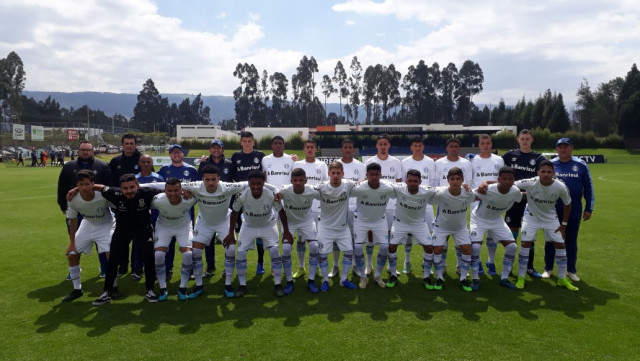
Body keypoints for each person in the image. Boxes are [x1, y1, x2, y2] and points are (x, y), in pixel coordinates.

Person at [90, 174, 164, 305]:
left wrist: (184, 191)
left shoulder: (147, 192)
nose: (129, 191)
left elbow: (169, 189)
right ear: (120, 188)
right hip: (122, 230)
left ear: (137, 185)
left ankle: (150, 290)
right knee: (113, 259)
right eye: (125, 188)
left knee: (148, 258)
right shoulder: (114, 193)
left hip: (143, 229)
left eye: (132, 187)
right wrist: (75, 190)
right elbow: (100, 187)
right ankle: (107, 291)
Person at [224, 170, 294, 297]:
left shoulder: (270, 194)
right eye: (253, 184)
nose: (256, 187)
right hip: (248, 226)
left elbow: (281, 212)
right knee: (240, 253)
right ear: (249, 183)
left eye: (259, 184)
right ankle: (242, 285)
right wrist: (230, 233)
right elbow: (234, 212)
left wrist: (287, 231)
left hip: (268, 225)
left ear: (264, 183)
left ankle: (278, 284)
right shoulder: (242, 195)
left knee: (274, 251)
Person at [513, 160, 577, 291]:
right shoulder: (530, 182)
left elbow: (568, 204)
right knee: (525, 244)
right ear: (538, 173)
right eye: (543, 171)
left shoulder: (560, 186)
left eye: (549, 172)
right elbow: (508, 184)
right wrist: (487, 184)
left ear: (553, 173)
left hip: (550, 218)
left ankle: (562, 279)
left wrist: (563, 224)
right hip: (531, 217)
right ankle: (521, 277)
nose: (546, 174)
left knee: (560, 244)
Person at [57, 141, 112, 278]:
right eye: (83, 150)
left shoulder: (102, 166)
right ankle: (74, 270)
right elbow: (62, 186)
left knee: (103, 241)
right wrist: (62, 204)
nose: (85, 152)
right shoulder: (69, 167)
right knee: (75, 239)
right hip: (77, 208)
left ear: (93, 151)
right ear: (78, 151)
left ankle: (105, 268)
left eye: (88, 150)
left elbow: (109, 186)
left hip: (98, 208)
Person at [544, 138, 595, 282]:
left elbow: (588, 187)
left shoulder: (580, 164)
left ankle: (571, 270)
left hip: (574, 209)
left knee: (571, 239)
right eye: (560, 147)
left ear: (571, 148)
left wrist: (589, 207)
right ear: (556, 149)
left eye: (566, 147)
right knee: (550, 239)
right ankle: (548, 268)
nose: (563, 149)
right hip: (552, 209)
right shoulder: (551, 164)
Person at [62, 170, 115, 302]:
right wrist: (72, 243)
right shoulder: (72, 198)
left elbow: (117, 204)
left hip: (106, 224)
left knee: (110, 255)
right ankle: (77, 289)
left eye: (87, 184)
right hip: (88, 224)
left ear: (93, 184)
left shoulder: (103, 195)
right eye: (81, 184)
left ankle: (113, 288)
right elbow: (73, 220)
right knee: (72, 254)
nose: (84, 187)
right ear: (77, 185)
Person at [502, 129, 546, 279]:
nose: (525, 141)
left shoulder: (538, 158)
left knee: (529, 235)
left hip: (531, 202)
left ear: (532, 140)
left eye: (528, 139)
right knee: (511, 234)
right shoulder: (509, 156)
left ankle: (529, 267)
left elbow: (544, 177)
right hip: (513, 200)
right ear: (518, 140)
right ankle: (508, 267)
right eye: (523, 139)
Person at [471, 166, 522, 291]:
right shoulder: (487, 189)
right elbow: (470, 196)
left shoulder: (515, 191)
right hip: (479, 219)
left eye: (510, 179)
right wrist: (484, 183)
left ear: (513, 180)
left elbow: (522, 196)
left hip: (497, 220)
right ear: (498, 179)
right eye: (504, 179)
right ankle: (475, 278)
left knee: (512, 247)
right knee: (476, 247)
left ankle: (504, 278)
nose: (507, 182)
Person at [310, 162, 358, 292]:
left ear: (343, 174)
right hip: (325, 228)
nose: (336, 176)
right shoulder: (321, 187)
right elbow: (307, 190)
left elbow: (362, 183)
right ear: (329, 173)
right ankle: (325, 280)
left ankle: (343, 280)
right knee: (323, 254)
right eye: (333, 173)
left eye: (338, 173)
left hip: (343, 228)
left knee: (348, 252)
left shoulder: (348, 185)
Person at [387, 169, 436, 289]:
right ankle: (393, 274)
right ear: (406, 181)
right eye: (410, 181)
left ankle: (426, 276)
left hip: (419, 224)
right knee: (392, 246)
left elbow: (445, 190)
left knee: (429, 247)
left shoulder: (427, 190)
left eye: (415, 181)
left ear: (420, 181)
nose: (412, 183)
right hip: (400, 223)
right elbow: (382, 182)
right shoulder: (399, 188)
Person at [276, 168, 322, 295]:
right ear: (291, 181)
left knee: (314, 247)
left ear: (305, 181)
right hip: (290, 222)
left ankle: (311, 281)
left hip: (307, 221)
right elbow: (274, 192)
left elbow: (327, 193)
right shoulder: (284, 190)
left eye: (301, 180)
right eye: (295, 180)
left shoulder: (312, 191)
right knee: (285, 249)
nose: (297, 183)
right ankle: (289, 282)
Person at [158, 144, 200, 280]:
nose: (176, 155)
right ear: (170, 155)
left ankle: (191, 269)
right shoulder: (164, 170)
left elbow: (198, 189)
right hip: (167, 213)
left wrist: (190, 192)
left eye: (178, 152)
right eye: (173, 153)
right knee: (168, 243)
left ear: (183, 154)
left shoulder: (191, 170)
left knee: (188, 243)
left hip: (186, 212)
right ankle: (168, 269)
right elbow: (159, 189)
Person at [350, 162, 396, 288]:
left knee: (384, 247)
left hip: (380, 221)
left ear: (381, 175)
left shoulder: (388, 188)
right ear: (367, 175)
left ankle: (377, 275)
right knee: (358, 248)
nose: (374, 177)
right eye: (371, 174)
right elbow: (346, 189)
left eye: (376, 174)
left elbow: (400, 190)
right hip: (361, 221)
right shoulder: (359, 188)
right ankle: (363, 277)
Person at [151, 178, 197, 301]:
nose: (172, 193)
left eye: (176, 190)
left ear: (181, 189)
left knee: (188, 255)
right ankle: (162, 288)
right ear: (164, 190)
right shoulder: (158, 200)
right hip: (164, 226)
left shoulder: (190, 198)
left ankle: (182, 288)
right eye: (169, 190)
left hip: (184, 227)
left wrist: (189, 190)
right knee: (159, 255)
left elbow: (203, 191)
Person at [430, 167, 476, 291]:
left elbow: (476, 197)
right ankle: (439, 277)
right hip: (441, 227)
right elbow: (426, 196)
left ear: (462, 180)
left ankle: (463, 279)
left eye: (458, 179)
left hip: (460, 228)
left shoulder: (468, 193)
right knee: (438, 249)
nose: (455, 181)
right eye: (452, 179)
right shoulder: (440, 193)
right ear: (447, 180)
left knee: (467, 249)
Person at [364, 134, 402, 276]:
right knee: (371, 235)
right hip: (373, 204)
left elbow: (398, 183)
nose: (383, 146)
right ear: (377, 146)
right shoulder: (369, 162)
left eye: (385, 144)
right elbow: (365, 182)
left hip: (392, 205)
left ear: (389, 145)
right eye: (380, 144)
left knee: (391, 236)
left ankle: (390, 266)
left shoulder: (396, 162)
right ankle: (369, 264)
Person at [434, 137, 473, 274]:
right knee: (443, 236)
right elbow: (435, 183)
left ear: (459, 148)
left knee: (459, 232)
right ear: (447, 148)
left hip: (460, 198)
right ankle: (442, 266)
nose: (453, 149)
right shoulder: (438, 163)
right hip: (444, 199)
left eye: (456, 146)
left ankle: (459, 266)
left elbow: (468, 182)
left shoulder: (466, 163)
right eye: (451, 146)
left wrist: (463, 187)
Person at [231, 132, 267, 275]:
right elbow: (231, 174)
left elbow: (267, 171)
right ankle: (240, 261)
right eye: (244, 141)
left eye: (249, 141)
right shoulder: (235, 157)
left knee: (259, 232)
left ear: (253, 142)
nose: (247, 143)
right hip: (241, 196)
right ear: (241, 142)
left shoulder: (261, 156)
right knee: (240, 231)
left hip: (258, 196)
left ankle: (260, 262)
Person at [292, 140, 329, 279]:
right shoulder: (297, 164)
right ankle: (301, 267)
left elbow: (325, 184)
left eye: (312, 147)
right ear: (304, 149)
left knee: (317, 239)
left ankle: (318, 266)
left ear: (316, 149)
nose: (309, 149)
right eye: (307, 147)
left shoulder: (322, 165)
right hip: (301, 208)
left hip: (318, 208)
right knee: (301, 240)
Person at [400, 136, 436, 274]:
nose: (418, 148)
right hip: (409, 203)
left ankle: (425, 262)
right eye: (415, 145)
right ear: (411, 147)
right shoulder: (405, 162)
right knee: (408, 233)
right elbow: (404, 183)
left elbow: (432, 183)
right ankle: (406, 261)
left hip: (426, 204)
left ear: (423, 147)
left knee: (428, 233)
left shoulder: (430, 162)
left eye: (420, 145)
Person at [198, 139, 233, 277]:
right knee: (209, 238)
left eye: (219, 148)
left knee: (227, 238)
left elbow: (235, 181)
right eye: (213, 148)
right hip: (208, 205)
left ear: (223, 149)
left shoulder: (229, 164)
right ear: (210, 150)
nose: (216, 150)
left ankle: (227, 267)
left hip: (226, 205)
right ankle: (210, 266)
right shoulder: (204, 163)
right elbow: (198, 182)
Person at [109, 134, 143, 277]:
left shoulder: (142, 159)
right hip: (121, 205)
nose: (129, 146)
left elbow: (147, 178)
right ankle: (123, 266)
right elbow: (111, 183)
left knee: (137, 238)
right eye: (126, 143)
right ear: (122, 145)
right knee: (122, 237)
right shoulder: (115, 161)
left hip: (138, 205)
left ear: (135, 145)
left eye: (132, 143)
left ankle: (137, 267)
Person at [471, 134, 504, 276]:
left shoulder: (499, 160)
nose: (485, 145)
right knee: (477, 235)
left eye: (488, 143)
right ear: (479, 145)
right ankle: (477, 261)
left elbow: (503, 180)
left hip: (495, 201)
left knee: (492, 235)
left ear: (491, 144)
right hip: (477, 201)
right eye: (483, 143)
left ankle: (491, 262)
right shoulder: (472, 161)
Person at [333, 139, 366, 278]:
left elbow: (362, 183)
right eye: (345, 147)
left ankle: (354, 266)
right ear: (342, 149)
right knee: (336, 237)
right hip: (337, 207)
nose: (347, 149)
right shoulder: (336, 163)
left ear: (353, 149)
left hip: (354, 207)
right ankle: (335, 266)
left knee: (354, 237)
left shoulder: (359, 165)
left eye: (350, 147)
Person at [133, 155, 164, 280]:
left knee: (156, 244)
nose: (146, 164)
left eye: (148, 162)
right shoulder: (134, 179)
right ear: (139, 163)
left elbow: (162, 198)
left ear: (152, 163)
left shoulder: (159, 178)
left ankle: (154, 269)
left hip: (156, 217)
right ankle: (138, 268)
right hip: (139, 217)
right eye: (143, 162)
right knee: (138, 244)